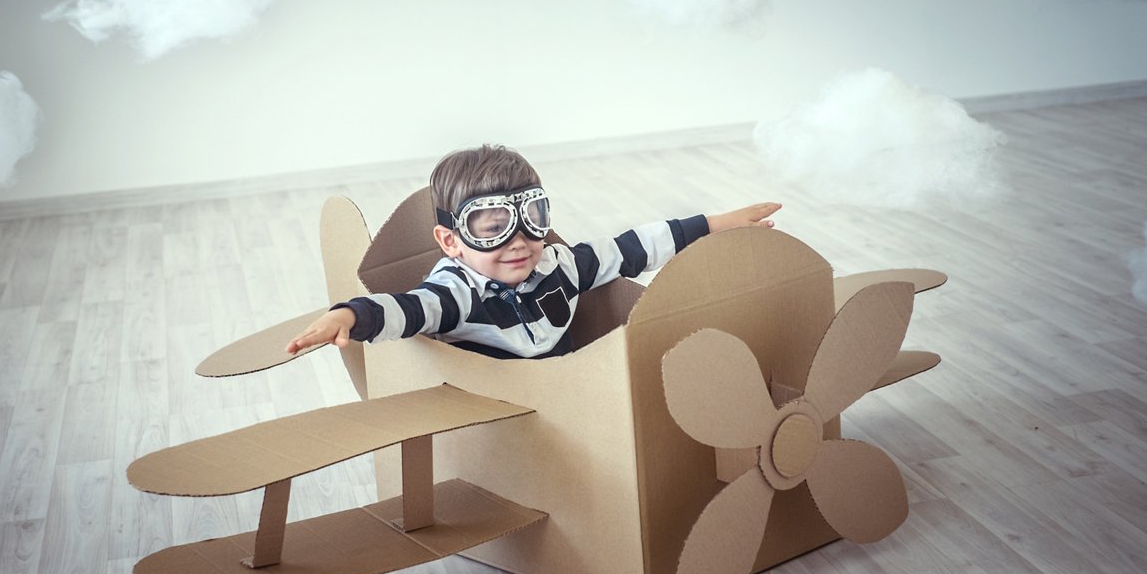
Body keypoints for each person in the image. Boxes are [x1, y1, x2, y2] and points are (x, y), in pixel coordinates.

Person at [286, 144, 780, 359]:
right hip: (500, 409)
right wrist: (349, 316)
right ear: (451, 241)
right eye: (490, 227)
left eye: (533, 217)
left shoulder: (557, 265)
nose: (518, 241)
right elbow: (407, 309)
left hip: (571, 388)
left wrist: (715, 224)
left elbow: (632, 247)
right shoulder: (455, 294)